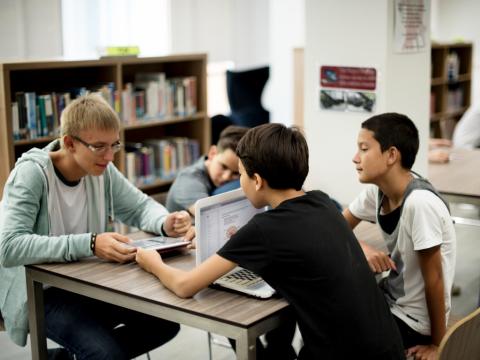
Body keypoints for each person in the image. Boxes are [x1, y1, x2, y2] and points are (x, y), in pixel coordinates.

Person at [136, 123, 405, 359]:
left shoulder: (266, 229)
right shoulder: (321, 201)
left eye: (240, 174)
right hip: (387, 348)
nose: (238, 181)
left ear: (257, 180)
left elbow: (185, 285)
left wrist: (152, 262)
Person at [0, 94, 193, 360]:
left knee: (165, 322)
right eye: (99, 146)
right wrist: (90, 243)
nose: (110, 156)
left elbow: (139, 207)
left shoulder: (102, 168)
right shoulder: (31, 174)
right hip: (41, 292)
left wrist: (164, 221)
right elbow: (9, 246)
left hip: (89, 282)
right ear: (69, 143)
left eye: (114, 144)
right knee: (106, 355)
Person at [343, 113, 456, 360]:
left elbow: (435, 279)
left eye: (364, 149)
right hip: (392, 302)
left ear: (392, 155)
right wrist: (362, 247)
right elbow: (335, 227)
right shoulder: (377, 192)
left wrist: (438, 345)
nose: (355, 158)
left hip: (415, 322)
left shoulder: (420, 203)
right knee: (325, 317)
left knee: (330, 342)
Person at [165, 125, 248, 214]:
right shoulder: (188, 181)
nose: (226, 177)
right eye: (224, 166)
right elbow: (210, 218)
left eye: (236, 173)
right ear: (212, 153)